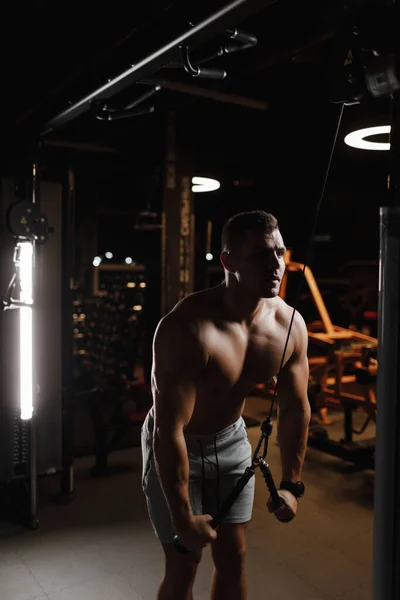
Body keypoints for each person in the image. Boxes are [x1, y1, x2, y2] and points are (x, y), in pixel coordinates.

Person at [141, 210, 311, 600]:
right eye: (260, 255)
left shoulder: (289, 326)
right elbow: (170, 430)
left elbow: (296, 406)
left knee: (233, 556)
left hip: (232, 441)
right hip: (178, 443)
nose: (276, 266)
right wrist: (183, 517)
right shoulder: (187, 328)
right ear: (229, 261)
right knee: (184, 564)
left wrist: (291, 485)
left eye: (281, 253)